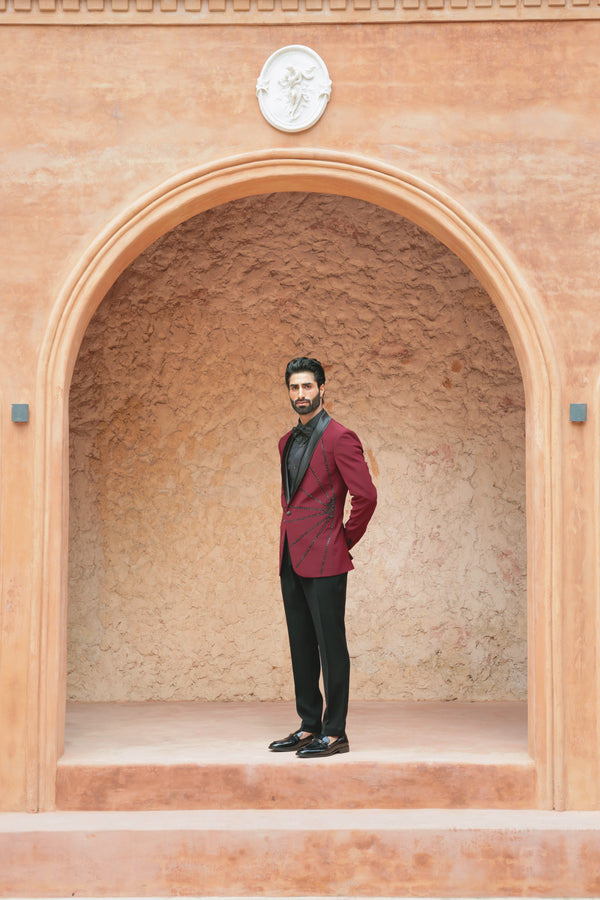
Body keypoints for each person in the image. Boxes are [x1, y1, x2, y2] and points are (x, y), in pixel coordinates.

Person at [268, 357, 377, 758]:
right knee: (301, 644)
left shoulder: (340, 437)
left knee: (331, 646)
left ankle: (335, 732)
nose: (301, 395)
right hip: (290, 557)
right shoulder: (285, 442)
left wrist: (342, 540)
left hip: (327, 557)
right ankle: (308, 725)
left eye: (308, 387)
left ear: (322, 388)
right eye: (294, 388)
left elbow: (366, 496)